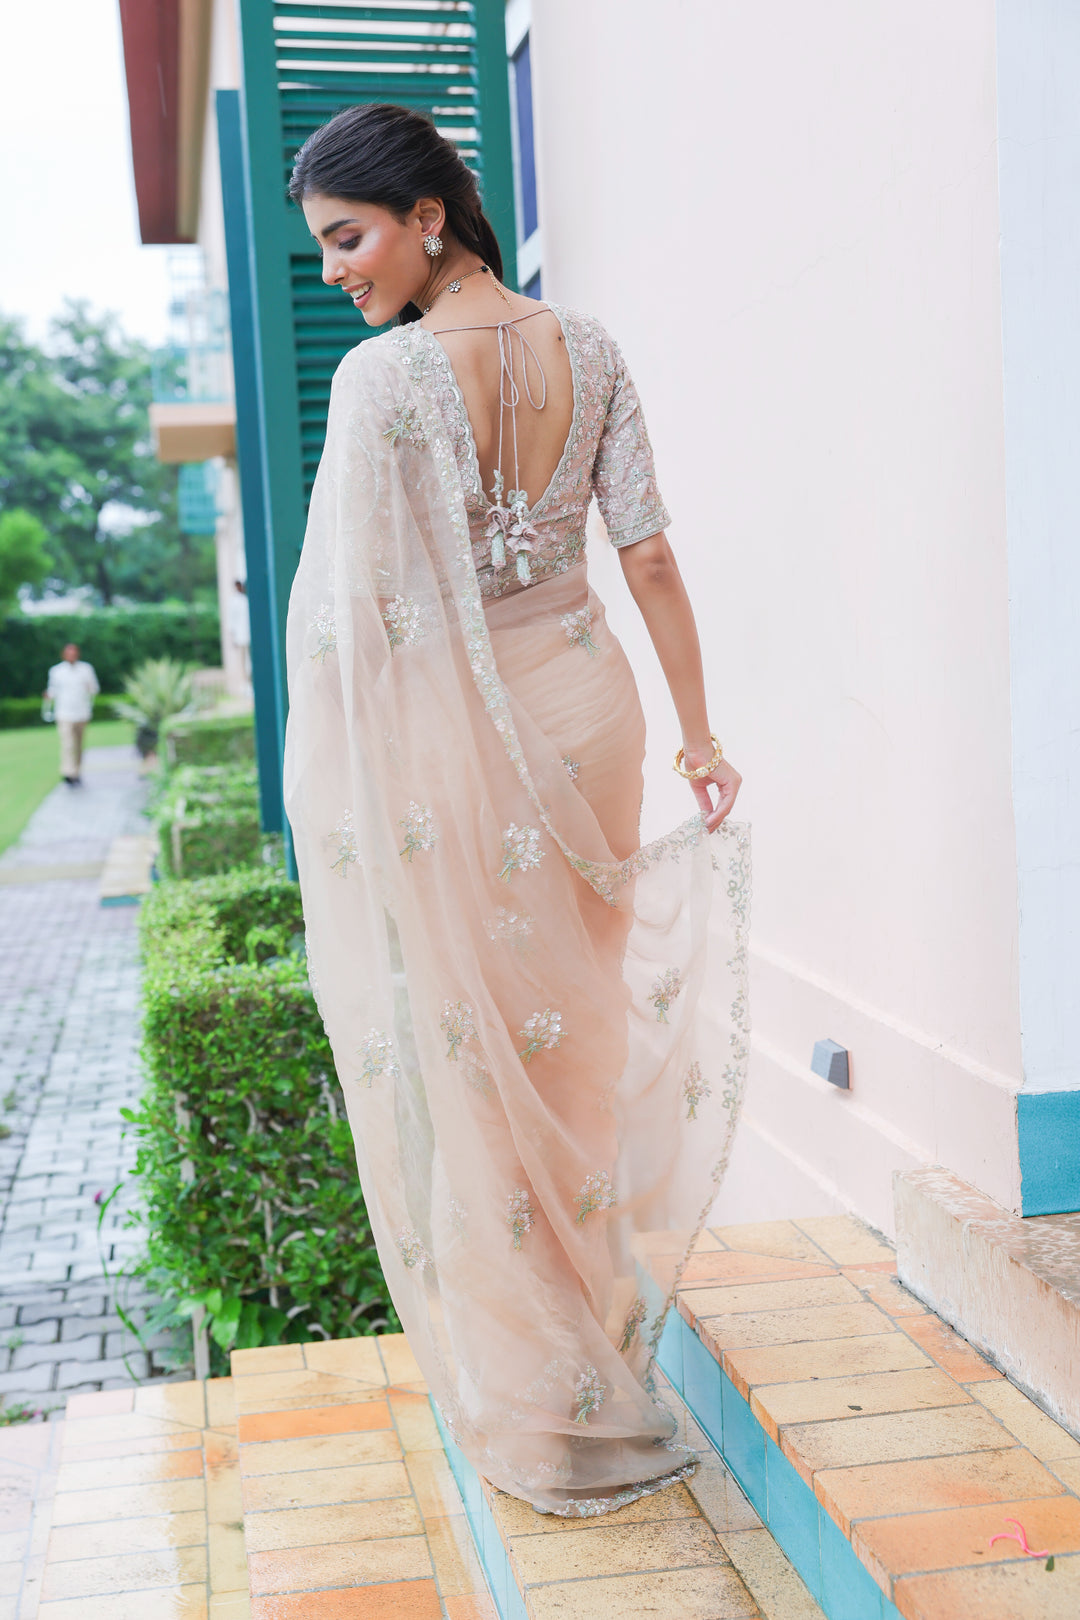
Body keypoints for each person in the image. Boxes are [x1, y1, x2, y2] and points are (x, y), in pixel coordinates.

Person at [283, 103, 751, 1518]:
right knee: (576, 1025)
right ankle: (590, 1335)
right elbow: (651, 557)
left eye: (345, 237)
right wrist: (699, 736)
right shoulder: (591, 347)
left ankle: (548, 1394)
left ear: (430, 215)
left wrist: (359, 780)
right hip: (594, 706)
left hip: (465, 735)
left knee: (486, 1052)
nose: (332, 272)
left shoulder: (383, 382)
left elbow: (358, 619)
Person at [45, 642, 99, 786]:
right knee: (67, 744)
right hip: (64, 713)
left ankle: (77, 771)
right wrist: (48, 696)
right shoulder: (56, 671)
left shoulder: (86, 669)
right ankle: (68, 772)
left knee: (78, 744)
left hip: (81, 713)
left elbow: (94, 688)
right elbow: (53, 690)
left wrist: (89, 689)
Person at [227, 578, 252, 686]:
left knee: (249, 660)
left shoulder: (246, 599)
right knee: (243, 661)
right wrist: (233, 637)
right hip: (240, 635)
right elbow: (232, 620)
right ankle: (246, 683)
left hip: (248, 635)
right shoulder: (234, 601)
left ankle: (250, 681)